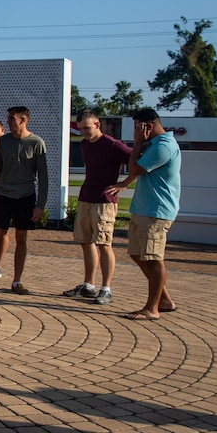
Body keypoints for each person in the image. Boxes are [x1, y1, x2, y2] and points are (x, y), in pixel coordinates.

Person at [106, 108, 181, 320]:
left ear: (146, 126)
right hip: (143, 209)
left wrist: (137, 142)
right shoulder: (154, 145)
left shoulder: (164, 147)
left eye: (137, 126)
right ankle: (164, 299)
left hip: (156, 211)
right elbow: (136, 171)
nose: (135, 131)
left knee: (154, 258)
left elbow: (134, 169)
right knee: (137, 253)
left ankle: (152, 308)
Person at [62, 110, 131, 305]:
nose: (84, 132)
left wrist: (124, 184)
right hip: (86, 198)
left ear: (97, 124)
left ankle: (106, 288)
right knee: (85, 241)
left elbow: (137, 161)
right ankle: (89, 285)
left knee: (103, 244)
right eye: (81, 128)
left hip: (105, 201)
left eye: (87, 128)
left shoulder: (113, 145)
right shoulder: (84, 144)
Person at [0, 106, 47, 294]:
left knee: (21, 237)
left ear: (23, 120)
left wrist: (40, 205)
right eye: (8, 118)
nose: (8, 122)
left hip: (26, 196)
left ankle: (17, 281)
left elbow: (43, 177)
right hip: (3, 194)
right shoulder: (3, 142)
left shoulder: (37, 143)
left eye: (12, 118)